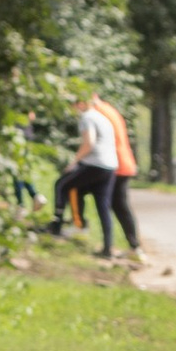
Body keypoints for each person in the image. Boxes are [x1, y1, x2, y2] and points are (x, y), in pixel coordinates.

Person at [81, 89, 143, 257]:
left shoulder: (97, 113)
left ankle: (85, 232)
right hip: (122, 162)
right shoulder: (109, 109)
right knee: (119, 205)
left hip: (115, 163)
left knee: (110, 203)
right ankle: (133, 247)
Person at [66, 91, 119, 251]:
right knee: (103, 206)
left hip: (95, 164)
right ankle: (108, 248)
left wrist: (74, 161)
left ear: (81, 104)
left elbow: (89, 143)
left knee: (66, 186)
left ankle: (75, 225)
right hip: (111, 165)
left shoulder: (87, 117)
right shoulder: (102, 116)